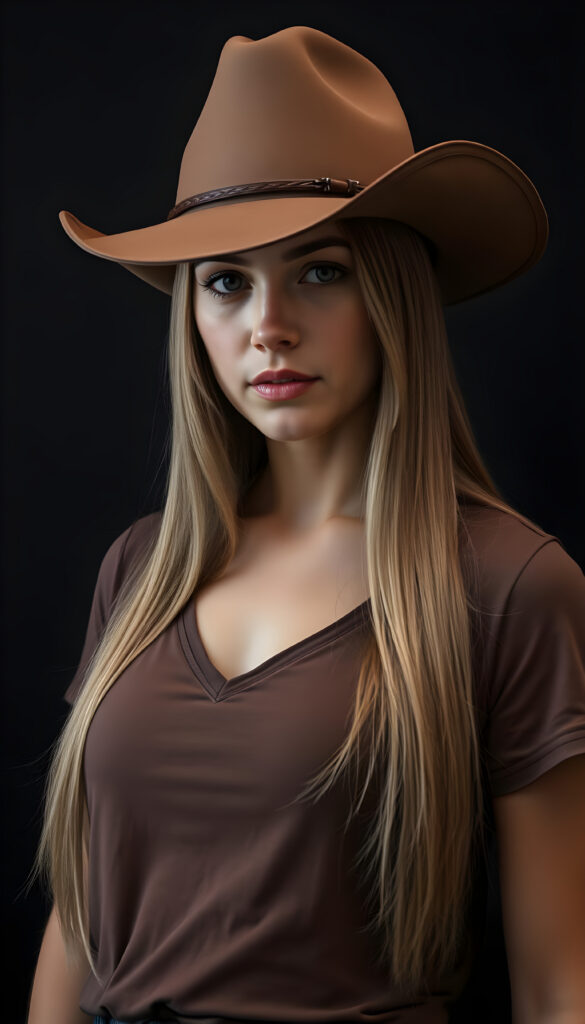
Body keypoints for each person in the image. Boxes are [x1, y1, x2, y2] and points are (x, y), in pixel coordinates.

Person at [27, 24, 585, 1024]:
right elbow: (77, 928)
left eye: (320, 270)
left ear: (394, 293)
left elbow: (561, 983)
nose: (267, 324)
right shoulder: (142, 567)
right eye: (227, 281)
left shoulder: (510, 584)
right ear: (192, 317)